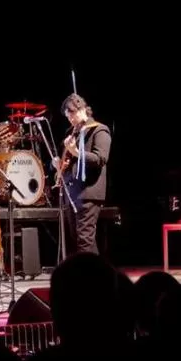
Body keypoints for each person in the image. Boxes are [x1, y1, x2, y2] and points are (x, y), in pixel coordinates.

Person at [57, 93, 112, 255]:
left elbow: (100, 158)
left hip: (88, 193)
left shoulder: (99, 130)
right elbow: (69, 161)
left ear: (81, 109)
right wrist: (60, 167)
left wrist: (76, 152)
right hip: (72, 192)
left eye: (72, 114)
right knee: (79, 238)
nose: (70, 119)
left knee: (84, 238)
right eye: (68, 117)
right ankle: (96, 274)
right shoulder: (72, 132)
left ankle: (87, 276)